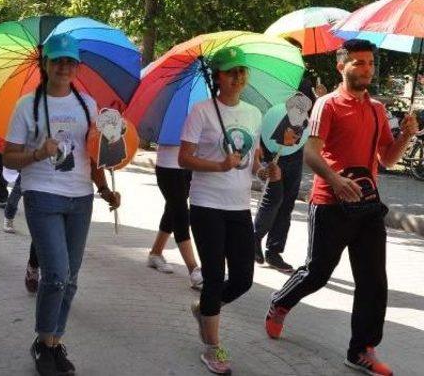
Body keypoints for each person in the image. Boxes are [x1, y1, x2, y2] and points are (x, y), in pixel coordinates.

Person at [265, 39, 419, 376]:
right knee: (317, 273)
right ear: (341, 66)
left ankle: (360, 349)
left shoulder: (377, 109)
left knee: (374, 282)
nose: (366, 69)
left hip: (367, 206)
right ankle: (280, 302)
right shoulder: (327, 106)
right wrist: (335, 180)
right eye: (358, 63)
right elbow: (310, 154)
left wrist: (406, 136)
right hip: (330, 203)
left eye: (369, 63)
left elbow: (387, 159)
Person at [3, 33, 120, 376]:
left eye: (70, 62)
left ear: (77, 66)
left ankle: (54, 342)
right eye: (58, 61)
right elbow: (9, 157)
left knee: (71, 279)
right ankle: (42, 342)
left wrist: (104, 190)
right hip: (42, 194)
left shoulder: (87, 104)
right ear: (46, 64)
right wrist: (38, 153)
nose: (64, 67)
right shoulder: (29, 105)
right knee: (55, 274)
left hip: (81, 199)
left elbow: (95, 155)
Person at [179, 46, 279, 375]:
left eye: (242, 72)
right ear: (217, 76)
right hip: (207, 204)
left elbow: (253, 163)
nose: (238, 77)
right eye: (231, 72)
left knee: (243, 279)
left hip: (238, 207)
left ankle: (205, 308)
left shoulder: (252, 113)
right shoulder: (202, 111)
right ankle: (212, 347)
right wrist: (218, 165)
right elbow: (184, 158)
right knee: (213, 275)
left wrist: (266, 172)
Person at [253, 39, 327, 272]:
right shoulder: (267, 80)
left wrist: (320, 99)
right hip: (272, 147)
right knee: (274, 197)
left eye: (297, 53)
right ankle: (254, 238)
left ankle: (274, 251)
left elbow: (309, 117)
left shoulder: (302, 82)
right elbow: (262, 111)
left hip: (294, 150)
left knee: (286, 202)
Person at [148, 144, 203, 290]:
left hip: (189, 165)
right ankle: (194, 270)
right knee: (181, 213)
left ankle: (155, 253)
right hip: (169, 166)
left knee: (173, 209)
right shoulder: (171, 121)